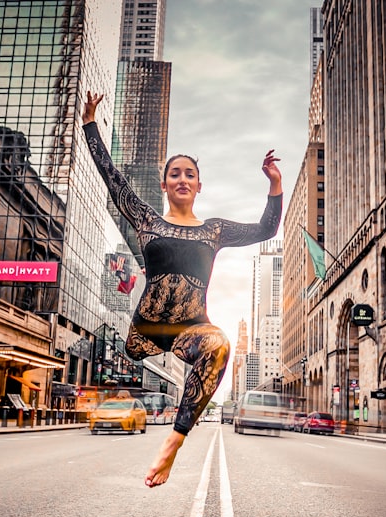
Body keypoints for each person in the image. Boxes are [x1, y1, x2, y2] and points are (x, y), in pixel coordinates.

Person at [82, 91, 283, 488]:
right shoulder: (145, 219)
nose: (182, 179)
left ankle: (174, 442)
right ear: (164, 184)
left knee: (221, 344)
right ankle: (172, 435)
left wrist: (274, 184)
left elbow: (266, 229)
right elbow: (111, 177)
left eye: (189, 174)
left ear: (199, 185)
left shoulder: (214, 230)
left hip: (190, 332)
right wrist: (90, 123)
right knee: (139, 348)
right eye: (175, 173)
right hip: (146, 332)